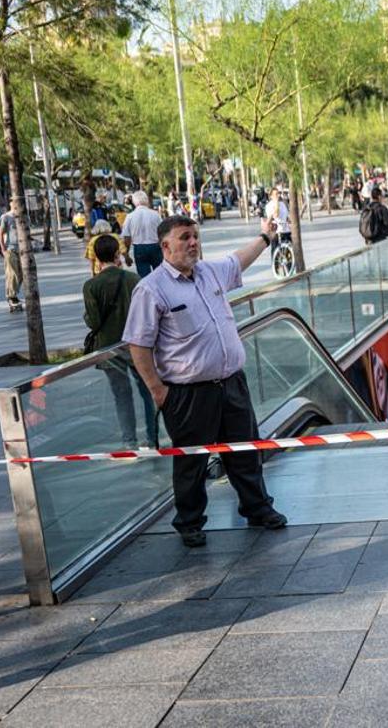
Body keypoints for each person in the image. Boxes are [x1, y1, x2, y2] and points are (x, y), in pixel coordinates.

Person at [123, 214, 288, 547]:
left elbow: (238, 260)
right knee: (191, 463)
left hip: (231, 384)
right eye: (185, 237)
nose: (193, 243)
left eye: (196, 236)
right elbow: (138, 344)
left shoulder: (210, 272)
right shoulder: (151, 289)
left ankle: (257, 508)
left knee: (245, 451)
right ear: (165, 245)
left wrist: (266, 237)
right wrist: (157, 390)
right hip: (187, 394)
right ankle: (189, 522)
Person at [85, 235, 157, 449]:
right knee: (147, 390)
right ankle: (152, 438)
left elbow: (94, 321)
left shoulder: (91, 285)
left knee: (121, 394)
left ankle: (129, 441)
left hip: (109, 348)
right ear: (117, 254)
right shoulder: (133, 279)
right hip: (137, 345)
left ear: (96, 257)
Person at [121, 190, 164, 277]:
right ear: (147, 200)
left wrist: (127, 255)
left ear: (133, 202)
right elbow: (163, 233)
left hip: (139, 248)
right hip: (155, 247)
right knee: (160, 275)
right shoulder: (155, 214)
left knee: (144, 276)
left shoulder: (130, 216)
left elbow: (127, 238)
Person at [0, 199, 24, 312]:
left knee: (21, 274)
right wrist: (3, 248)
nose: (16, 204)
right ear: (11, 204)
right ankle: (11, 296)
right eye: (13, 202)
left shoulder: (21, 217)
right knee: (12, 274)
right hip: (10, 249)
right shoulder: (6, 217)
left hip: (22, 250)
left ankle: (14, 294)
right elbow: (0, 232)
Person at [265, 188, 292, 258]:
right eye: (275, 194)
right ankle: (275, 267)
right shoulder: (269, 206)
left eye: (278, 193)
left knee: (289, 254)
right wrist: (276, 203)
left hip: (286, 231)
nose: (278, 195)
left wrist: (290, 223)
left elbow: (287, 217)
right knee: (275, 253)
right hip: (276, 232)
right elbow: (276, 215)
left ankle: (290, 267)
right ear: (271, 196)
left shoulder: (282, 204)